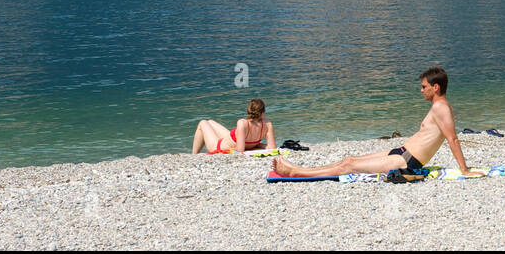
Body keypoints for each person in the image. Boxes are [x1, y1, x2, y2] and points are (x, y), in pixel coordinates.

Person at [271, 67, 479, 178]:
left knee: (348, 166)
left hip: (406, 162)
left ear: (436, 87)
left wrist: (464, 169)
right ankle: (297, 168)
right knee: (348, 159)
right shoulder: (437, 107)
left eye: (424, 86)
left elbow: (452, 139)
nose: (421, 90)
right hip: (401, 152)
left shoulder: (441, 108)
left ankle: (295, 172)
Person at [192, 98, 274, 154]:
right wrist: (258, 145)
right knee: (210, 122)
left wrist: (253, 146)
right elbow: (272, 147)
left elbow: (240, 150)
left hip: (218, 147)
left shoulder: (243, 123)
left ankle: (194, 155)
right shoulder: (267, 124)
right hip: (228, 139)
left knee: (203, 122)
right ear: (262, 113)